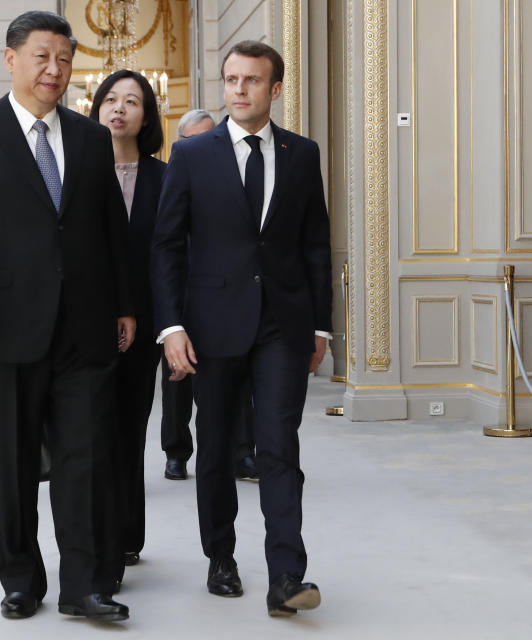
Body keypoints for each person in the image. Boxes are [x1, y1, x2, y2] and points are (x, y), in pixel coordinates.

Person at [0, 11, 134, 623]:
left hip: (85, 324)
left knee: (83, 455)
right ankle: (21, 578)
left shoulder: (92, 137)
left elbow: (112, 231)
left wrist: (126, 304)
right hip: (5, 322)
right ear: (11, 59)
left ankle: (83, 584)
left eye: (65, 59)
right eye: (42, 56)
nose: (55, 70)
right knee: (16, 460)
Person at [151, 41, 332, 617]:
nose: (239, 89)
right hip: (211, 322)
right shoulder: (193, 154)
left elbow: (314, 246)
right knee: (218, 444)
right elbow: (167, 245)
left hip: (284, 323)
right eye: (231, 79)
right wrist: (172, 325)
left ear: (275, 89)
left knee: (279, 445)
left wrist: (322, 327)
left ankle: (287, 576)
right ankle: (221, 557)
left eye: (252, 80)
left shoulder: (302, 154)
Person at [89, 70, 165, 568]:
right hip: (88, 325)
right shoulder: (78, 171)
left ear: (146, 117)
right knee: (93, 432)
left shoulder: (167, 177)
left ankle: (128, 535)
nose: (119, 108)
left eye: (132, 101)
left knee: (130, 431)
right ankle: (98, 539)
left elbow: (175, 256)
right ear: (95, 109)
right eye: (111, 99)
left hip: (147, 324)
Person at [160, 110, 260, 483]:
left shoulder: (235, 172)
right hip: (180, 295)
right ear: (181, 145)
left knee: (236, 380)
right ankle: (176, 452)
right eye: (193, 139)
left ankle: (242, 453)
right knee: (177, 378)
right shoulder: (174, 173)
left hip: (225, 297)